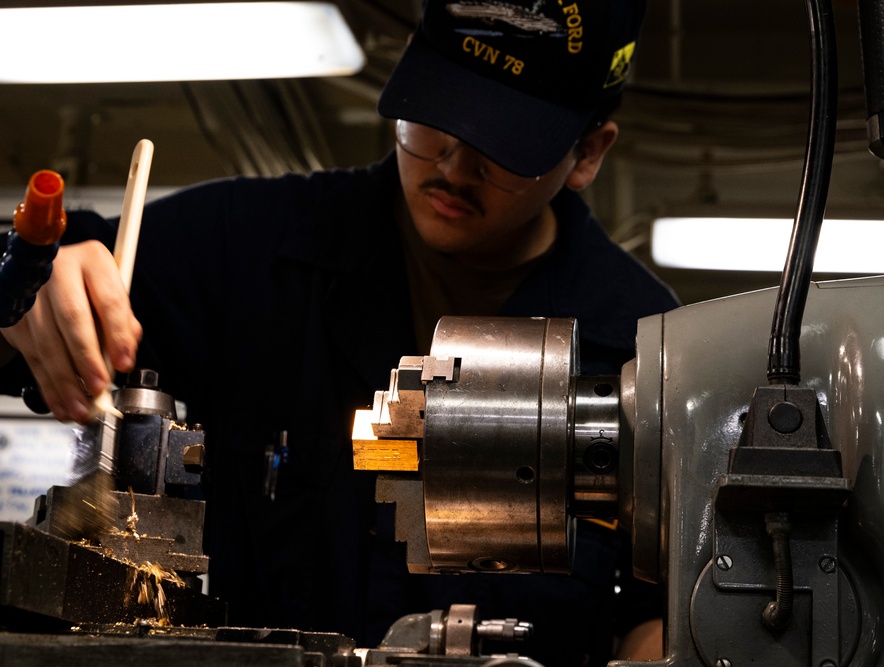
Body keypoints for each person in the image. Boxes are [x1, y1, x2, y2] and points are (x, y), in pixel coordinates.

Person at [0, 1, 678, 664]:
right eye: (434, 117)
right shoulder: (252, 250)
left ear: (587, 151)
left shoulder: (650, 349)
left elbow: (664, 612)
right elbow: (44, 275)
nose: (450, 164)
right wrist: (32, 291)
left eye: (502, 145)